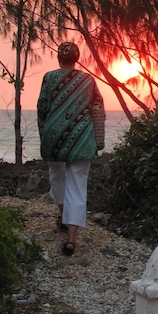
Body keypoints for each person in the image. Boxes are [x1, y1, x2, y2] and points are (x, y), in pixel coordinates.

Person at [37, 41, 105, 255]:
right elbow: (98, 106)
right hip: (81, 139)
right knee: (77, 186)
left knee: (56, 177)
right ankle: (71, 239)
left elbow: (42, 108)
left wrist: (45, 134)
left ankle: (63, 215)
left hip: (54, 137)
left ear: (59, 58)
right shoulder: (88, 80)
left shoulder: (49, 78)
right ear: (77, 59)